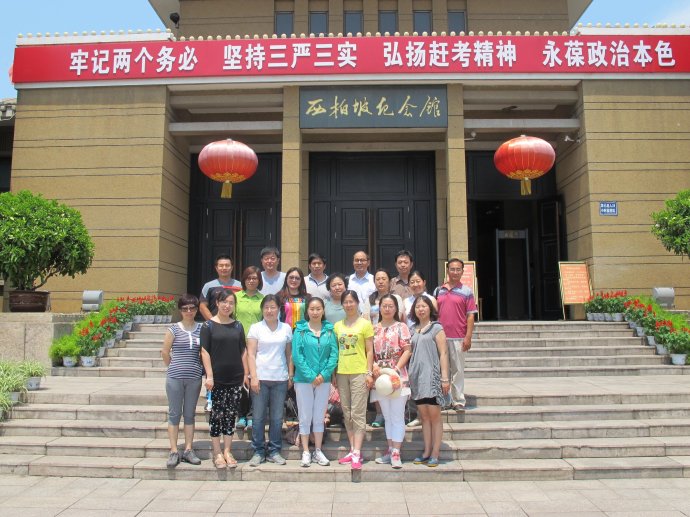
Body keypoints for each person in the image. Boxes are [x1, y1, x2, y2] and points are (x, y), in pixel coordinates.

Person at [200, 290, 249, 469]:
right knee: (216, 415)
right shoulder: (208, 326)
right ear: (217, 303)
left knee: (230, 415)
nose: (227, 306)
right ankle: (217, 452)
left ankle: (228, 450)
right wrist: (209, 376)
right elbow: (204, 351)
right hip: (216, 379)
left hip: (235, 377)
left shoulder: (238, 326)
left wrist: (245, 373)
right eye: (224, 302)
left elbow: (243, 351)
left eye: (231, 303)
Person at [246, 294, 294, 466]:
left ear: (279, 309)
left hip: (280, 378)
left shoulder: (286, 328)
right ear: (262, 309)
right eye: (266, 307)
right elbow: (251, 354)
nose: (269, 310)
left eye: (273, 307)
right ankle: (258, 451)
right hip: (260, 378)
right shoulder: (256, 328)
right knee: (258, 417)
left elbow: (289, 354)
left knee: (276, 417)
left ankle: (274, 450)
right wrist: (253, 377)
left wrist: (290, 375)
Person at [291, 297, 339, 467]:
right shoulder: (300, 330)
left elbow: (334, 354)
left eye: (318, 309)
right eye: (312, 309)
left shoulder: (329, 330)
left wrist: (324, 374)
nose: (315, 312)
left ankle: (318, 450)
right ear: (307, 311)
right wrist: (311, 376)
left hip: (324, 380)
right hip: (304, 380)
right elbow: (297, 355)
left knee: (319, 417)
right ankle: (306, 451)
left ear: (323, 310)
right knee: (305, 417)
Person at [161, 294, 204, 468]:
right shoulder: (173, 329)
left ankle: (188, 449)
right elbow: (165, 352)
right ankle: (173, 450)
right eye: (185, 308)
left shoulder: (201, 328)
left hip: (194, 377)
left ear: (196, 310)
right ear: (180, 310)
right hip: (175, 377)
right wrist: (173, 366)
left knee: (189, 413)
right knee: (174, 413)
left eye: (192, 308)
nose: (189, 311)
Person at [408, 295, 450, 468]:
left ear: (430, 309)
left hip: (432, 377)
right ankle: (426, 451)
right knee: (424, 417)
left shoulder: (436, 328)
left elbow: (444, 353)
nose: (421, 309)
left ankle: (435, 453)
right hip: (417, 378)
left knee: (435, 416)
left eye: (424, 306)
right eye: (418, 306)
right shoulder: (413, 329)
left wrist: (444, 377)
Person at [334, 290, 374, 470]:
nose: (349, 305)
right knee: (347, 412)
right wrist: (334, 374)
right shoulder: (337, 326)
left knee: (358, 413)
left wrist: (369, 372)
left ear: (357, 303)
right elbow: (336, 351)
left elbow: (370, 351)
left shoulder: (365, 324)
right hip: (342, 372)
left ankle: (357, 451)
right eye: (346, 302)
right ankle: (352, 449)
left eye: (351, 301)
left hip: (359, 372)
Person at [371, 295, 412, 469]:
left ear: (396, 309)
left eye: (391, 306)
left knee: (397, 415)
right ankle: (390, 449)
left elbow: (407, 350)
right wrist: (373, 365)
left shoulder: (402, 327)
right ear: (379, 308)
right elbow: (369, 351)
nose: (387, 309)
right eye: (384, 306)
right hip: (380, 377)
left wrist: (396, 369)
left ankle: (396, 451)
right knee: (387, 416)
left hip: (397, 375)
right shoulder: (374, 328)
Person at [433, 258, 477, 410]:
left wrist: (468, 337)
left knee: (458, 370)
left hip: (458, 337)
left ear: (462, 271)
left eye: (458, 269)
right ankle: (444, 400)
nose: (455, 272)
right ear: (447, 270)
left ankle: (458, 400)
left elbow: (470, 316)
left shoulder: (467, 292)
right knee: (442, 370)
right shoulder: (438, 291)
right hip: (440, 337)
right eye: (452, 269)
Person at [234, 266, 265, 429]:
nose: (252, 281)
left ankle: (253, 414)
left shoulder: (263, 299)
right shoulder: (236, 297)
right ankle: (241, 414)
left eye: (255, 278)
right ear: (244, 280)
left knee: (255, 377)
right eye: (249, 278)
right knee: (242, 378)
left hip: (258, 345)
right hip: (239, 344)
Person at [199, 254, 242, 320]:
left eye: (227, 265)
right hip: (215, 323)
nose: (224, 268)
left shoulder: (240, 286)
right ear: (216, 268)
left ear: (232, 267)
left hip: (235, 323)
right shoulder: (208, 286)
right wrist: (213, 322)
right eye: (221, 266)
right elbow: (202, 307)